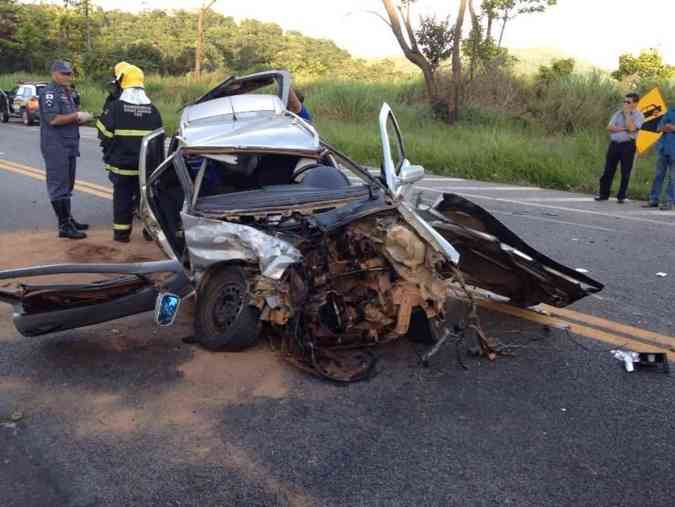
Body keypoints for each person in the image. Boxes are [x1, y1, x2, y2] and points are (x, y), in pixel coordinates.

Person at [96, 64, 163, 242]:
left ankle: (121, 235)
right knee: (147, 201)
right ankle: (150, 233)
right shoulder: (153, 110)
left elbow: (103, 133)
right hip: (145, 169)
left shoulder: (116, 108)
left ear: (121, 84)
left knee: (122, 200)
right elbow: (158, 142)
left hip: (122, 167)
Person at [38, 60, 94, 239]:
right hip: (56, 146)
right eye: (64, 73)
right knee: (59, 186)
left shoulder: (66, 92)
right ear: (54, 73)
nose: (68, 76)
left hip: (69, 144)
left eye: (70, 73)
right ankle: (64, 226)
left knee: (68, 184)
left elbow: (68, 118)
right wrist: (76, 115)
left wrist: (81, 118)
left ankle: (68, 219)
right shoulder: (49, 93)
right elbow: (53, 119)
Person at [595, 93, 644, 203]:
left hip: (628, 145)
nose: (625, 104)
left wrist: (627, 115)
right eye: (624, 101)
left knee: (625, 171)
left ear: (635, 103)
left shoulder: (639, 115)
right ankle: (603, 194)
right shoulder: (617, 113)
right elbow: (609, 127)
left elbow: (632, 128)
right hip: (614, 144)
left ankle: (621, 196)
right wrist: (624, 128)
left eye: (628, 102)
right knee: (608, 170)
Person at [642, 106, 675, 210]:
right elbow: (659, 127)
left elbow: (668, 127)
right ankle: (653, 200)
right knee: (658, 175)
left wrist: (672, 127)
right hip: (663, 148)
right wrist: (667, 127)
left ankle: (669, 202)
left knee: (673, 178)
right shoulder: (670, 110)